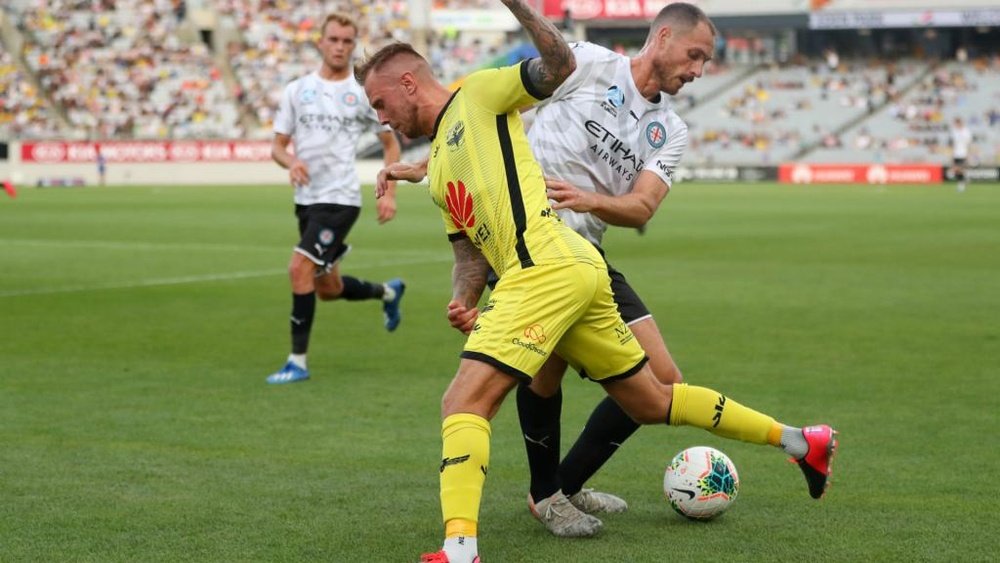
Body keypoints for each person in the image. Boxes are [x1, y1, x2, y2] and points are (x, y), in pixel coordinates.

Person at [357, 1, 837, 560]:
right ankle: (802, 440)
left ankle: (463, 548)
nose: (381, 119)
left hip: (547, 264)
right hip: (573, 266)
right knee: (653, 399)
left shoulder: (482, 93)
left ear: (409, 82)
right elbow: (466, 251)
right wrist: (462, 298)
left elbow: (556, 64)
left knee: (462, 402)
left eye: (381, 103)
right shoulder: (438, 167)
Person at [267, 13, 405, 385]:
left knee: (299, 269)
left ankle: (297, 362)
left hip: (341, 199)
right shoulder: (298, 90)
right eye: (334, 39)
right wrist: (291, 162)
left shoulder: (362, 94)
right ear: (321, 43)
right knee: (326, 288)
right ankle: (388, 292)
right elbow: (277, 147)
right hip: (307, 200)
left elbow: (390, 143)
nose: (341, 47)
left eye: (348, 41)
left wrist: (388, 191)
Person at [950, 116, 972, 193]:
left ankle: (961, 184)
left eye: (956, 123)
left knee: (958, 169)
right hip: (956, 154)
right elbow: (953, 144)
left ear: (960, 123)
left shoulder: (966, 132)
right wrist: (952, 155)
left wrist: (968, 155)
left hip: (963, 153)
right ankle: (965, 179)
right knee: (955, 170)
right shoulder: (954, 132)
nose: (955, 125)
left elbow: (968, 144)